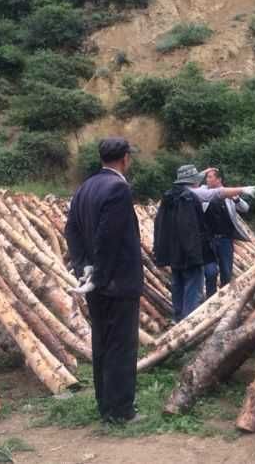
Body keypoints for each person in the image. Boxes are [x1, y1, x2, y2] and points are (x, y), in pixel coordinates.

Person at [65, 137, 143, 424]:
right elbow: (108, 237)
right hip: (116, 281)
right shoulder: (118, 188)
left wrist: (84, 268)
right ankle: (121, 410)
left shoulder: (84, 188)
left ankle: (105, 405)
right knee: (122, 345)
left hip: (95, 282)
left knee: (102, 342)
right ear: (125, 158)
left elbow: (71, 230)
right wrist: (100, 275)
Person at [153, 165, 255, 322]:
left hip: (174, 249)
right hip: (191, 248)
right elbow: (217, 193)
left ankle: (178, 318)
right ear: (193, 181)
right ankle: (189, 321)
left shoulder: (169, 195)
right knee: (193, 285)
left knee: (178, 283)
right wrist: (242, 189)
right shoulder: (192, 194)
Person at [201, 167, 251, 298]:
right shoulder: (203, 192)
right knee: (210, 273)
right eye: (207, 177)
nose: (207, 180)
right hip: (208, 241)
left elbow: (245, 208)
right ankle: (210, 300)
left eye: (210, 177)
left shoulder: (228, 193)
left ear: (219, 179)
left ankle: (225, 299)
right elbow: (191, 185)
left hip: (225, 240)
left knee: (226, 272)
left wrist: (236, 199)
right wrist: (204, 172)